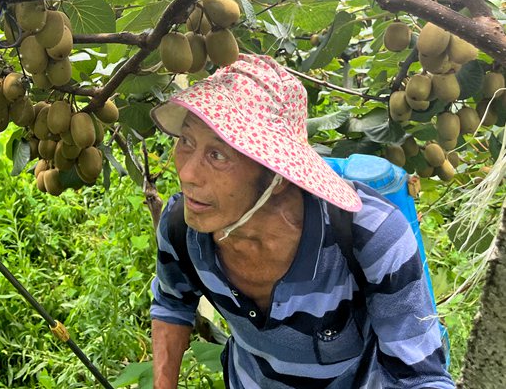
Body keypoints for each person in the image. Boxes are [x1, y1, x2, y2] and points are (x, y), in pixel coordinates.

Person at [148, 54, 454, 389]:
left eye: (218, 155)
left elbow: (420, 376)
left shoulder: (372, 235)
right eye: (186, 142)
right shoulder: (184, 228)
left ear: (278, 178)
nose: (188, 174)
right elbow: (171, 303)